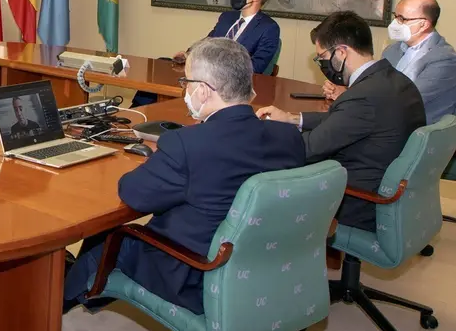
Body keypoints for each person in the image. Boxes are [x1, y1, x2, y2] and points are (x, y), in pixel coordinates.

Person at [64, 38, 305, 314]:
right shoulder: (288, 137)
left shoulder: (187, 145)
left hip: (194, 272)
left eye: (186, 83)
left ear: (203, 91)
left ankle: (60, 302)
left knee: (106, 235)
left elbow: (132, 193)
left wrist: (161, 161)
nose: (185, 90)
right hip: (260, 266)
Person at [257, 11, 426, 231]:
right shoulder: (395, 80)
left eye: (322, 58)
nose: (322, 65)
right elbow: (344, 119)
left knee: (261, 181)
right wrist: (292, 118)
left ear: (341, 52)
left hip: (358, 200)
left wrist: (259, 137)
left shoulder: (363, 95)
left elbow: (308, 149)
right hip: (391, 189)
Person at [134, 0, 281, 107]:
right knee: (162, 66)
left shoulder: (269, 27)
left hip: (229, 81)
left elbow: (258, 65)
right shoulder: (227, 17)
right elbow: (209, 40)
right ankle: (136, 110)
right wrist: (188, 54)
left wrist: (221, 69)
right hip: (205, 71)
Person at [323, 0, 456, 125]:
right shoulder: (392, 50)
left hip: (415, 133)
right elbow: (375, 86)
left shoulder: (444, 59)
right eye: (395, 16)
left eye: (402, 19)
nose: (394, 23)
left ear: (423, 24)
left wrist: (347, 96)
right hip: (385, 124)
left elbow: (407, 102)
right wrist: (344, 88)